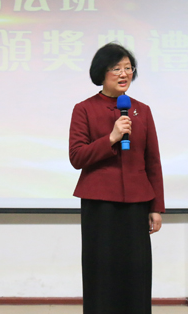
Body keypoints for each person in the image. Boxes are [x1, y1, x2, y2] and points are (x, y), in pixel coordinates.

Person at [68, 42, 165, 314]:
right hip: (99, 204)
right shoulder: (84, 109)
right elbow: (77, 156)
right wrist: (111, 138)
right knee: (102, 271)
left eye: (128, 68)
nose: (124, 74)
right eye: (116, 68)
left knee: (136, 271)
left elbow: (153, 161)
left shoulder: (142, 110)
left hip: (136, 202)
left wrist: (156, 207)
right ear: (101, 72)